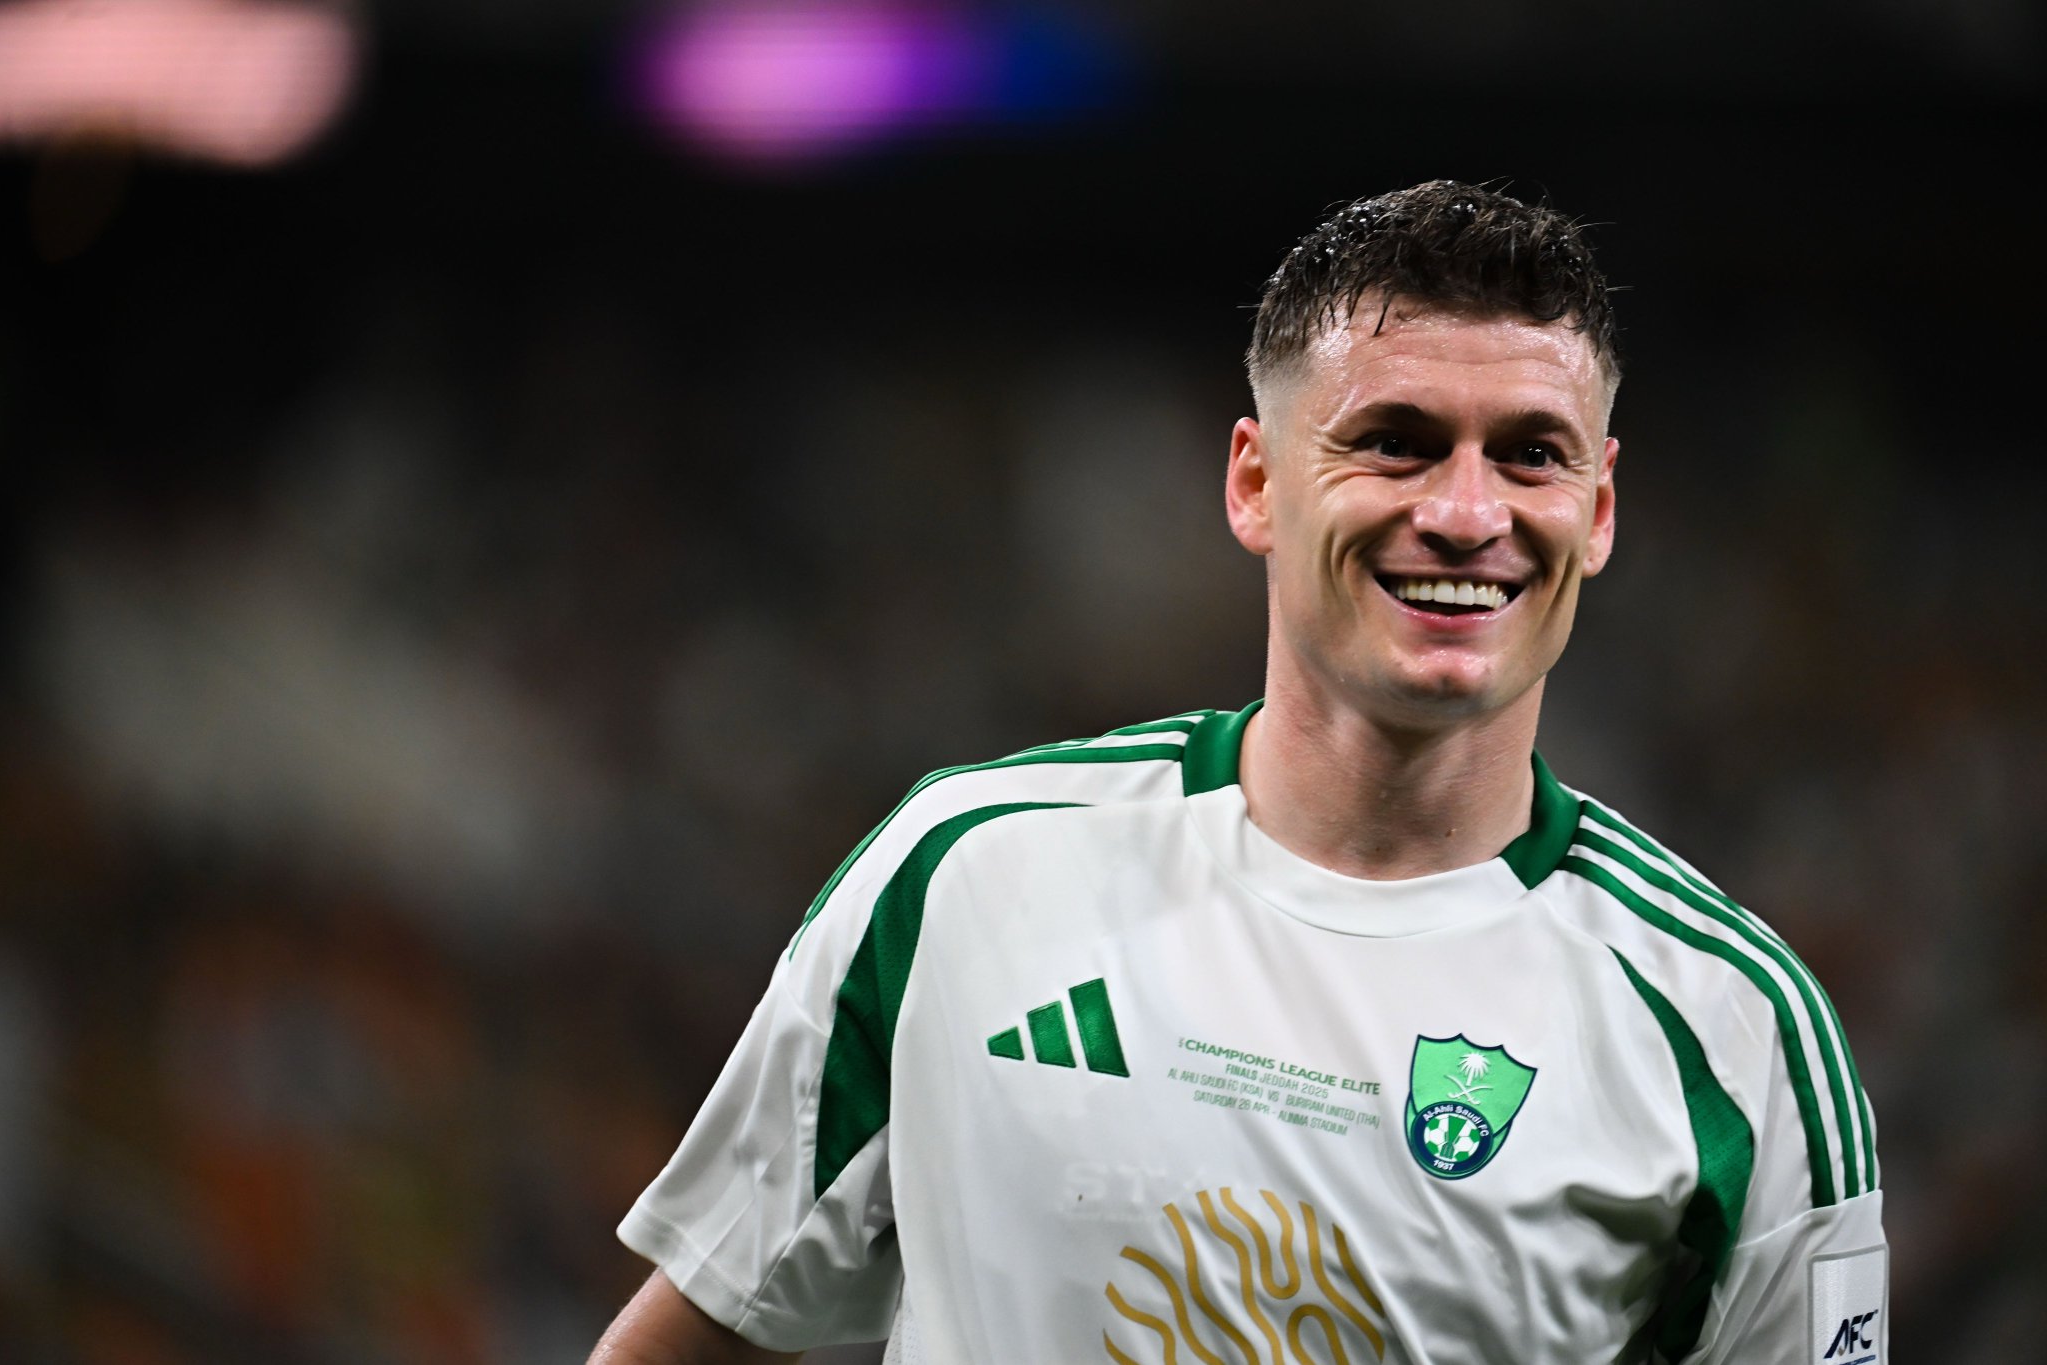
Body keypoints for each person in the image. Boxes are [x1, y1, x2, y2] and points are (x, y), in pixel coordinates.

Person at [587, 181, 1887, 1365]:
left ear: (1597, 511)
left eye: (1531, 454)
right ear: (1257, 484)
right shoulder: (965, 871)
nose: (1466, 513)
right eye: (1397, 440)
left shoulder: (1739, 1033)